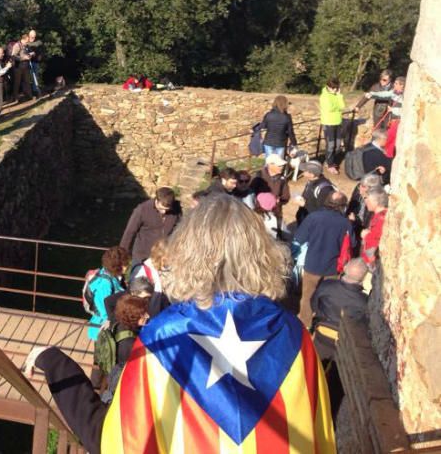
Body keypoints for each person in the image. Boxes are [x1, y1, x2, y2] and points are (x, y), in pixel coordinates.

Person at [25, 195, 335, 454]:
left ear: (186, 252)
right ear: (263, 253)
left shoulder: (163, 338)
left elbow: (118, 442)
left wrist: (54, 363)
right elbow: (318, 436)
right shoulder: (294, 336)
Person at [293, 191, 352, 328]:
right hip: (333, 267)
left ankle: (305, 325)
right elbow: (352, 244)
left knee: (307, 297)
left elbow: (300, 238)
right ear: (343, 206)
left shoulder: (313, 217)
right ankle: (324, 323)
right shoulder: (345, 223)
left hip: (312, 264)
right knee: (329, 298)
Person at [310, 258, 368, 362]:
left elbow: (314, 303)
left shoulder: (327, 285)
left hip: (321, 333)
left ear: (345, 268)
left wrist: (320, 317)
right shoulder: (364, 301)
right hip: (343, 342)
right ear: (363, 277)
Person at [118, 188, 181, 265]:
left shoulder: (177, 209)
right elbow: (129, 232)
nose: (164, 212)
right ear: (157, 200)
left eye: (167, 210)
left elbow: (178, 228)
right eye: (162, 209)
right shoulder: (142, 210)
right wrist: (121, 254)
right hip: (142, 255)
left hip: (163, 256)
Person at [85, 247, 128, 342]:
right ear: (117, 266)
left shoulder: (108, 273)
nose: (127, 266)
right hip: (101, 327)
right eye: (124, 264)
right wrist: (109, 320)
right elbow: (102, 304)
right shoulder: (105, 284)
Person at [249, 153, 291, 231]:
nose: (282, 167)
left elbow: (286, 197)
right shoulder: (258, 176)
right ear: (270, 165)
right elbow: (250, 193)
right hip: (260, 213)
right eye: (279, 165)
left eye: (282, 165)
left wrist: (279, 201)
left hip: (275, 212)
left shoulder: (282, 179)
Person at [295, 160, 334, 225]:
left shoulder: (324, 189)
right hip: (305, 217)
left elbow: (322, 212)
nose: (302, 172)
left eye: (305, 171)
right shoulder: (311, 181)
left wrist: (305, 205)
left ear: (312, 175)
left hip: (313, 223)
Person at [319, 78, 345, 174]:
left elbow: (342, 106)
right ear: (328, 87)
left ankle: (329, 161)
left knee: (338, 146)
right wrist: (337, 106)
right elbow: (329, 108)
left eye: (336, 88)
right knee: (330, 145)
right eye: (333, 88)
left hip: (337, 122)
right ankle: (330, 165)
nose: (335, 90)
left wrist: (339, 96)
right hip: (328, 123)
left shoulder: (337, 95)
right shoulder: (324, 96)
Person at [360, 188, 388, 269]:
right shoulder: (380, 215)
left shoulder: (381, 218)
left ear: (376, 202)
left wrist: (366, 235)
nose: (366, 202)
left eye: (368, 200)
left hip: (372, 262)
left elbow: (377, 241)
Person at [9, 33, 34, 102]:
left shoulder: (27, 45)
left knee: (27, 81)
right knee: (17, 83)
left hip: (26, 66)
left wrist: (30, 54)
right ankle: (15, 97)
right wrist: (23, 58)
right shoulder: (17, 45)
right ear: (23, 39)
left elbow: (28, 52)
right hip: (18, 66)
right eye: (27, 40)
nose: (28, 42)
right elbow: (13, 56)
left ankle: (29, 96)